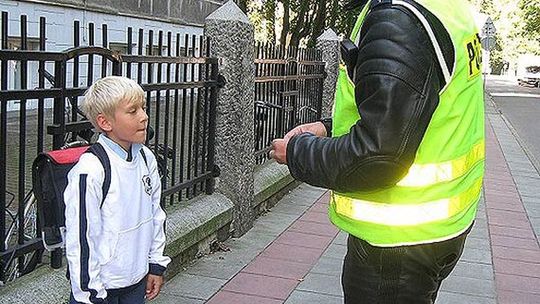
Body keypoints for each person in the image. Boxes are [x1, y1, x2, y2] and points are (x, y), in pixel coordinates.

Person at [270, 0, 484, 303]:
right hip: (436, 230)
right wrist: (329, 127)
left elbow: (376, 157)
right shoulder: (445, 7)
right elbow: (412, 106)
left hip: (396, 245)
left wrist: (296, 152)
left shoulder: (397, 20)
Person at [64, 76, 171, 303]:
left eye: (143, 108)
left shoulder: (145, 157)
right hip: (101, 289)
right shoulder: (91, 169)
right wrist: (90, 294)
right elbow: (82, 238)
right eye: (133, 111)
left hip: (136, 280)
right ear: (105, 122)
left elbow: (156, 214)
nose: (144, 116)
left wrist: (155, 264)